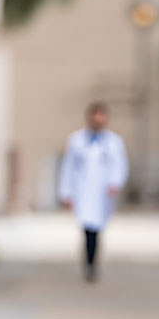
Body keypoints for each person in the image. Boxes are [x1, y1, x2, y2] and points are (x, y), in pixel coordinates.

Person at [57, 101, 128, 282]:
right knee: (88, 228)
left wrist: (115, 183)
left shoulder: (114, 141)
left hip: (102, 192)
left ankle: (91, 262)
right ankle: (90, 263)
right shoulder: (76, 140)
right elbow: (69, 167)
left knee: (96, 228)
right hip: (83, 191)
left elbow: (120, 165)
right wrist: (66, 192)